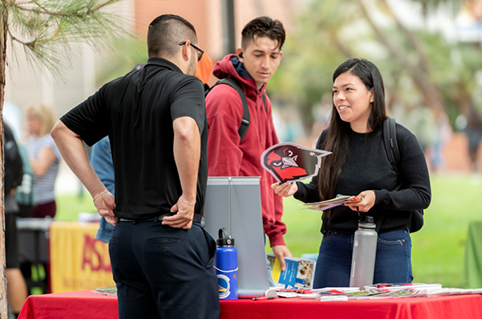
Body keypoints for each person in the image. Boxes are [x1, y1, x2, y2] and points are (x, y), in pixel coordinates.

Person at [51, 14, 219, 319]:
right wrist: (189, 197)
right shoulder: (187, 85)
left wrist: (98, 193)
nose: (197, 60)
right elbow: (184, 130)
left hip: (126, 241)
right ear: (186, 48)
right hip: (172, 233)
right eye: (198, 54)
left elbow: (62, 131)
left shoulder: (115, 88)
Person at [272, 58, 431, 288]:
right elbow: (321, 191)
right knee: (331, 310)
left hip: (388, 243)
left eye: (348, 89)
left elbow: (421, 195)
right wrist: (297, 188)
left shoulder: (400, 139)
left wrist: (378, 198)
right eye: (335, 91)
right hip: (335, 244)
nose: (339, 97)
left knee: (384, 312)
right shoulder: (328, 138)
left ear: (372, 94)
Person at [92, 55, 214, 244]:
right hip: (135, 225)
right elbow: (106, 183)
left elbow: (63, 130)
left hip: (156, 226)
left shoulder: (178, 123)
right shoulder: (107, 138)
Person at [205, 16, 292, 270]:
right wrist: (227, 242)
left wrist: (275, 234)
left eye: (273, 56)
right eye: (258, 54)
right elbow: (220, 179)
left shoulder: (262, 99)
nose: (266, 64)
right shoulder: (225, 99)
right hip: (228, 234)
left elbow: (273, 170)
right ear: (241, 54)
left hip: (252, 230)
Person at [4, 121, 28, 318]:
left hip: (5, 206)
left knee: (11, 265)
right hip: (8, 204)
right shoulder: (6, 126)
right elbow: (19, 169)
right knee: (12, 265)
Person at [24, 104, 61, 218]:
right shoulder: (31, 141)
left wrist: (23, 155)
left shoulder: (48, 141)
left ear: (43, 119)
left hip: (43, 201)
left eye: (33, 118)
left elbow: (40, 170)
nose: (29, 121)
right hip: (29, 200)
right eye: (28, 118)